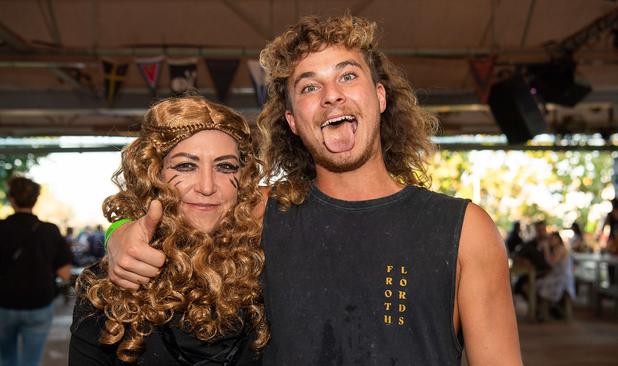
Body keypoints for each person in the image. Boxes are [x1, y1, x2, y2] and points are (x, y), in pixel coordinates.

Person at [106, 15, 522, 365]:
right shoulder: (258, 213)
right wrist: (117, 234)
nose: (331, 96)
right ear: (291, 120)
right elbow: (166, 225)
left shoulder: (465, 230)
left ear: (379, 97)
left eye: (347, 75)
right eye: (309, 86)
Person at [68, 96, 269, 365]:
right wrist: (115, 232)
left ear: (242, 179)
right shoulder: (110, 282)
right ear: (154, 173)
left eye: (225, 166)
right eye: (186, 165)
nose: (207, 186)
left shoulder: (266, 266)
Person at [0, 176, 72, 366]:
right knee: (31, 361)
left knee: (7, 358)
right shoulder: (50, 231)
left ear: (11, 199)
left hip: (2, 304)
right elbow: (65, 273)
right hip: (40, 304)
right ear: (35, 199)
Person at [535, 232, 575, 319]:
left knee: (539, 285)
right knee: (538, 284)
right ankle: (545, 310)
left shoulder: (560, 249)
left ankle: (545, 311)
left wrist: (546, 249)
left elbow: (551, 263)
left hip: (562, 279)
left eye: (553, 239)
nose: (550, 241)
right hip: (557, 277)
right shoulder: (557, 249)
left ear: (558, 239)